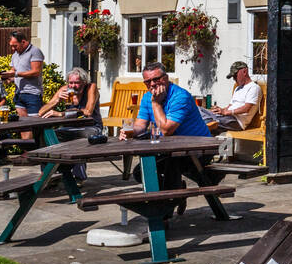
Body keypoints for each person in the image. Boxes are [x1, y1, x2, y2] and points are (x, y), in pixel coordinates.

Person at [120, 62, 214, 202]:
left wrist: (156, 103)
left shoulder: (180, 97)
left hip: (200, 150)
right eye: (147, 81)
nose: (152, 84)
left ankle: (165, 211)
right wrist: (129, 131)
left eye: (156, 79)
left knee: (172, 164)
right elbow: (140, 125)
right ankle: (173, 196)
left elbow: (166, 130)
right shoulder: (147, 97)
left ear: (166, 78)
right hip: (170, 150)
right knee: (141, 172)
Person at [39, 68, 104, 180]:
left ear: (84, 82)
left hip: (92, 127)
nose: (73, 86)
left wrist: (60, 114)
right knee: (48, 137)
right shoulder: (64, 90)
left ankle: (79, 177)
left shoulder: (91, 88)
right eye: (71, 82)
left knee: (79, 139)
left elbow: (88, 112)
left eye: (77, 83)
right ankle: (49, 176)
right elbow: (41, 112)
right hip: (69, 127)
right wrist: (56, 100)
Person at [201, 61, 262, 132]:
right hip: (226, 117)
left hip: (237, 121)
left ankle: (208, 122)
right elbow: (229, 106)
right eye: (233, 77)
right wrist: (220, 110)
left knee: (201, 121)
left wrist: (226, 112)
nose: (234, 79)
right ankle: (209, 121)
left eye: (235, 76)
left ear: (245, 71)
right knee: (196, 108)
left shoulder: (254, 88)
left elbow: (246, 109)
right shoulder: (238, 88)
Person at [0, 31, 45, 116]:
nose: (13, 49)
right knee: (22, 124)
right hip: (18, 93)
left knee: (34, 123)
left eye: (15, 46)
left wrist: (15, 74)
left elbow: (36, 72)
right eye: (11, 46)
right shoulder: (15, 55)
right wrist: (7, 78)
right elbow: (13, 72)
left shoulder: (34, 51)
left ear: (23, 42)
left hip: (32, 94)